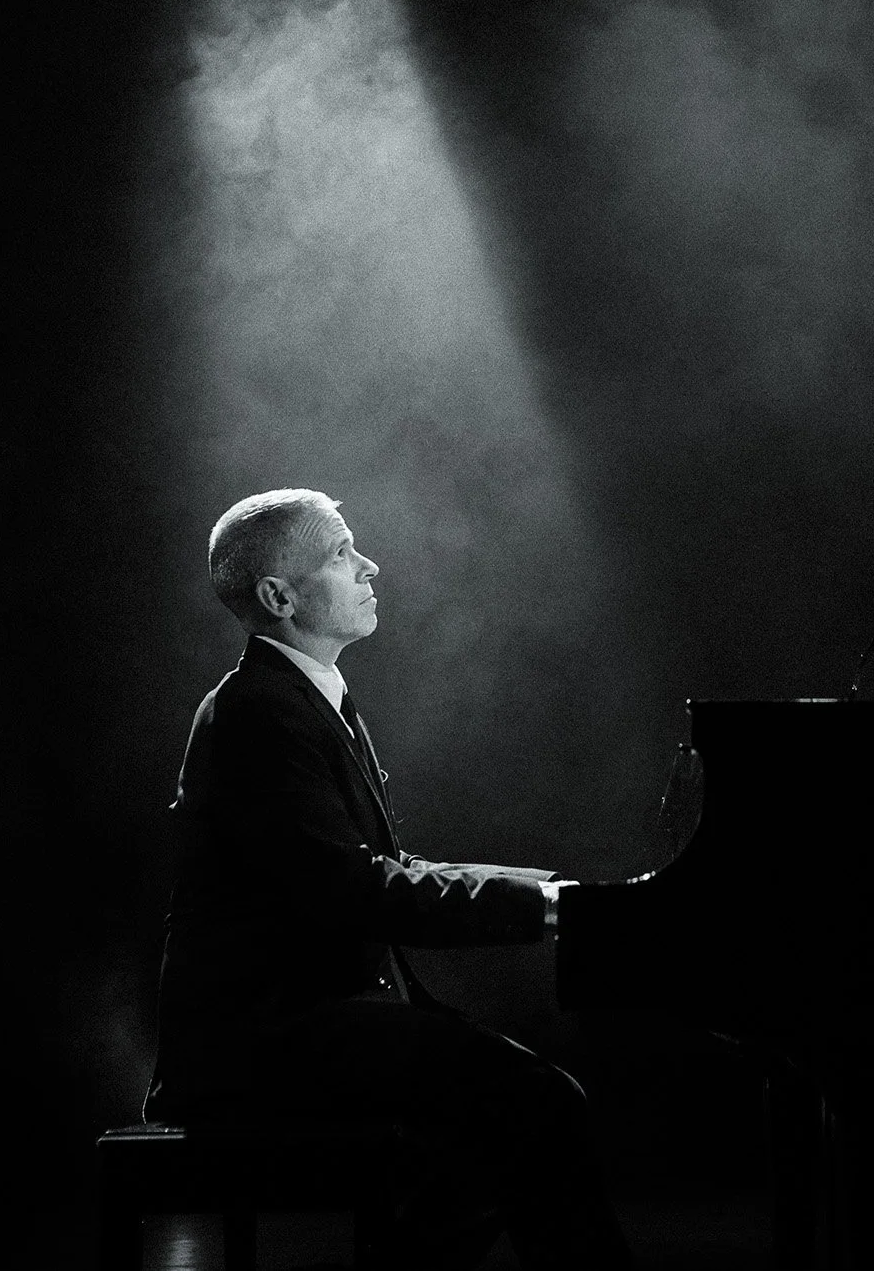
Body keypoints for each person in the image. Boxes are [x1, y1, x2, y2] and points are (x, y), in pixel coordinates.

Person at [146, 488, 632, 1270]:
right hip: (256, 1045)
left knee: (505, 1120)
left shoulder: (304, 699)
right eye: (342, 554)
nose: (370, 565)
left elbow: (383, 871)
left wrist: (551, 895)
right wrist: (544, 907)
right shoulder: (256, 714)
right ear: (279, 597)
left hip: (308, 1023)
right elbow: (358, 890)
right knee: (534, 1102)